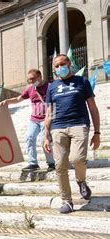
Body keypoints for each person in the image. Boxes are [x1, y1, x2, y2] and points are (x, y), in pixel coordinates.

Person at [44, 54, 101, 214]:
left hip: (79, 125)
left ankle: (81, 181)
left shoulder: (82, 81)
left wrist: (97, 132)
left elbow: (93, 108)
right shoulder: (51, 87)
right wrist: (46, 135)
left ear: (69, 64)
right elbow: (49, 113)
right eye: (56, 66)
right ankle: (66, 200)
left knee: (77, 159)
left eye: (62, 63)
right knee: (60, 165)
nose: (59, 67)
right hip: (58, 128)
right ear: (54, 68)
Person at [0, 69, 55, 172]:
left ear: (40, 77)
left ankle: (51, 163)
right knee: (29, 137)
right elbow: (18, 99)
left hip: (46, 118)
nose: (31, 81)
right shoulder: (30, 89)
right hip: (34, 119)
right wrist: (7, 101)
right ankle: (33, 163)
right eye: (29, 79)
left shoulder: (50, 86)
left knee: (44, 140)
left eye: (33, 79)